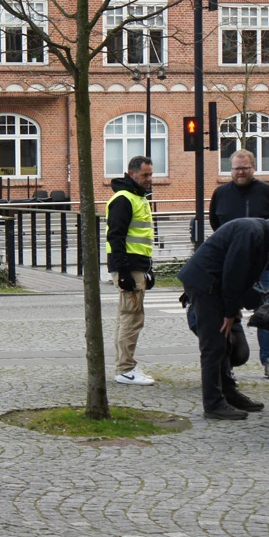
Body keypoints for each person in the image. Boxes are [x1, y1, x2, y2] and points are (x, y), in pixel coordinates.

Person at [178, 212, 269, 420]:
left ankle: (229, 394)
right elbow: (233, 274)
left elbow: (245, 278)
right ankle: (213, 404)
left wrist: (236, 306)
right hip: (207, 285)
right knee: (214, 346)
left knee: (230, 344)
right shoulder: (252, 232)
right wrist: (230, 312)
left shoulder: (262, 238)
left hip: (219, 288)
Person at [209, 149, 269, 380]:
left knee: (265, 311)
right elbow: (216, 225)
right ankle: (228, 360)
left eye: (245, 168)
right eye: (236, 168)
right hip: (230, 265)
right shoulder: (220, 194)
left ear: (254, 167)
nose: (240, 172)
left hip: (262, 265)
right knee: (228, 311)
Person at [107, 155, 155, 386]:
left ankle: (124, 366)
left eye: (151, 174)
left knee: (129, 316)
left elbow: (142, 238)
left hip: (136, 265)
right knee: (131, 318)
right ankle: (125, 369)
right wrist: (124, 272)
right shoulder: (124, 199)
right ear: (132, 173)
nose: (149, 179)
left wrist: (148, 268)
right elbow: (115, 237)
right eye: (145, 175)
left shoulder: (137, 197)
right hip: (129, 266)